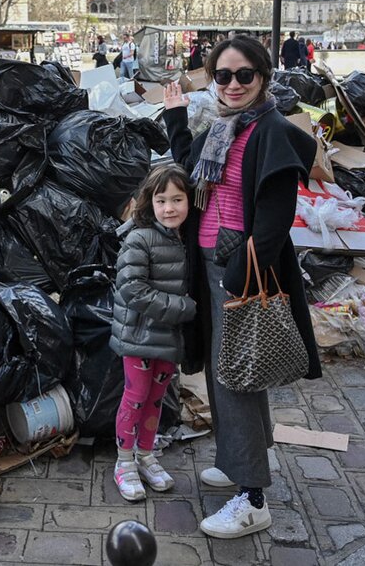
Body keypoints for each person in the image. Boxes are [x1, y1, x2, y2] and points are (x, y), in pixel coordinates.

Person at [161, 36, 321, 540]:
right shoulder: (223, 128)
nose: (232, 85)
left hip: (237, 270)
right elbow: (190, 174)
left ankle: (252, 498)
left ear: (263, 78)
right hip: (211, 262)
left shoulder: (269, 130)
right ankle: (237, 458)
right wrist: (176, 120)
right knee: (223, 369)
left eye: (243, 75)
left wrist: (235, 278)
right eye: (223, 76)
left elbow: (275, 223)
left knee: (236, 378)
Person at [110, 164, 197, 502]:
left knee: (157, 400)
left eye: (178, 199)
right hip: (139, 336)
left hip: (168, 339)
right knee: (135, 397)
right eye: (162, 201)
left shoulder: (186, 237)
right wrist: (185, 309)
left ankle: (146, 455)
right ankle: (123, 462)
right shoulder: (139, 237)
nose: (170, 208)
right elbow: (132, 289)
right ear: (150, 202)